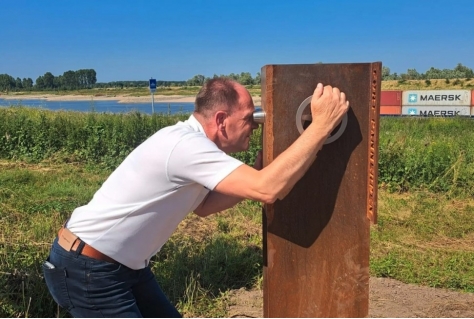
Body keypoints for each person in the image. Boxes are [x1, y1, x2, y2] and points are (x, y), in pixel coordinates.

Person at [42, 77, 349, 317]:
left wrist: (255, 175)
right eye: (248, 118)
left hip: (122, 268)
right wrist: (320, 126)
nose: (255, 125)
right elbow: (267, 188)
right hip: (89, 270)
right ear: (220, 120)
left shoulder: (196, 147)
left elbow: (203, 207)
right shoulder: (186, 147)